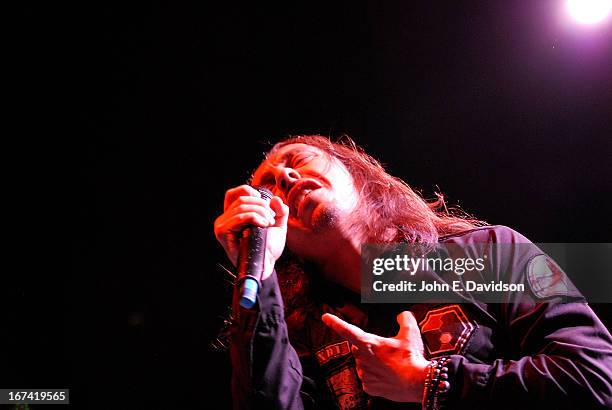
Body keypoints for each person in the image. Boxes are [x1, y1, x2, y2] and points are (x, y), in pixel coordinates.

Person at [213, 135, 612, 409]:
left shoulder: (489, 252)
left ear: (353, 170)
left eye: (298, 160)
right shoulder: (300, 332)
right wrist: (260, 276)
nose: (285, 177)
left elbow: (595, 376)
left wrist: (431, 382)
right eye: (268, 189)